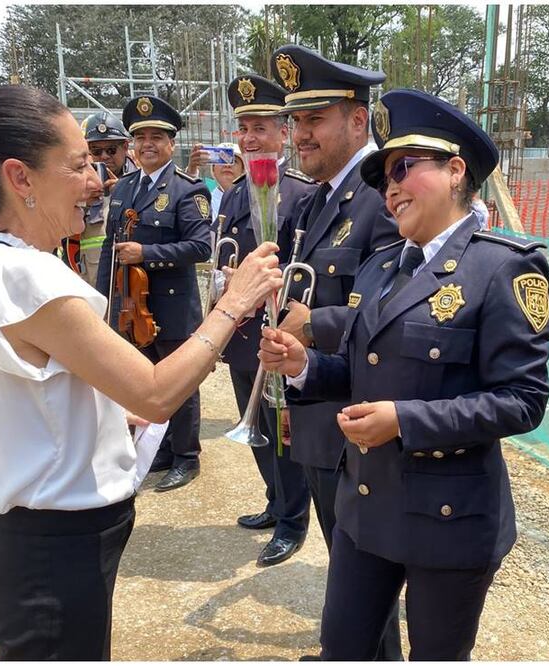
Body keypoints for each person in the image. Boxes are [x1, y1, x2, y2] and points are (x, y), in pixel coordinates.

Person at [0, 84, 282, 660]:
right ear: (20, 177)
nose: (96, 181)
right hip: (54, 549)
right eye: (79, 164)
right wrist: (232, 304)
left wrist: (108, 410)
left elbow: (39, 390)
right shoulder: (25, 277)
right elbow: (159, 392)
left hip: (47, 540)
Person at [260, 88, 549, 659]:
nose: (390, 187)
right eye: (381, 178)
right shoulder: (379, 267)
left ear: (454, 171)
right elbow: (358, 370)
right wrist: (303, 368)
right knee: (343, 647)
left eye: (403, 168)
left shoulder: (505, 269)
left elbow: (522, 400)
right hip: (366, 506)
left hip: (448, 520)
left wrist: (403, 420)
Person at [268, 43, 404, 660]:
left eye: (313, 119)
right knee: (346, 558)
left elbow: (394, 307)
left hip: (363, 414)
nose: (300, 134)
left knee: (368, 564)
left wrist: (311, 323)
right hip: (321, 401)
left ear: (357, 120)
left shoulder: (382, 196)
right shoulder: (313, 198)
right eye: (295, 121)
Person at [214, 73, 316, 567]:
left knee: (284, 430)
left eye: (260, 127)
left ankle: (294, 521)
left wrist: (276, 294)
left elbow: (311, 265)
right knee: (252, 425)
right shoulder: (233, 195)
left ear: (282, 133)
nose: (250, 138)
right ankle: (275, 503)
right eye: (243, 129)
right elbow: (221, 260)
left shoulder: (303, 194)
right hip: (241, 337)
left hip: (279, 332)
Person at [96, 95, 213, 492]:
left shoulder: (187, 190)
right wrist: (104, 305)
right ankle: (160, 448)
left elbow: (201, 247)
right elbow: (112, 254)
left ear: (171, 142)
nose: (148, 143)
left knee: (179, 383)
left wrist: (147, 253)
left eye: (156, 137)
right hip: (130, 307)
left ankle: (186, 456)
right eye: (140, 137)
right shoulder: (124, 188)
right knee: (143, 379)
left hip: (172, 305)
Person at [80, 112, 137, 287]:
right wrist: (82, 202)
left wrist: (123, 194)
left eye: (111, 150)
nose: (104, 156)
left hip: (133, 282)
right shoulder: (76, 185)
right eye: (96, 151)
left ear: (125, 146)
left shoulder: (141, 181)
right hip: (90, 280)